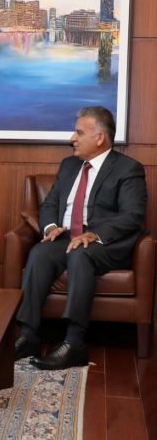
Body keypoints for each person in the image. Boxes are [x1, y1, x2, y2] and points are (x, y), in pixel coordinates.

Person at [15, 106, 147, 370]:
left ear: (99, 137)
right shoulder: (69, 165)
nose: (72, 138)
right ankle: (28, 335)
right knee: (40, 253)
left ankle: (74, 343)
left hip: (104, 242)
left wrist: (95, 234)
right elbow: (50, 204)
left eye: (79, 133)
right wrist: (51, 227)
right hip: (67, 236)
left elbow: (132, 215)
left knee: (80, 254)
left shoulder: (128, 168)